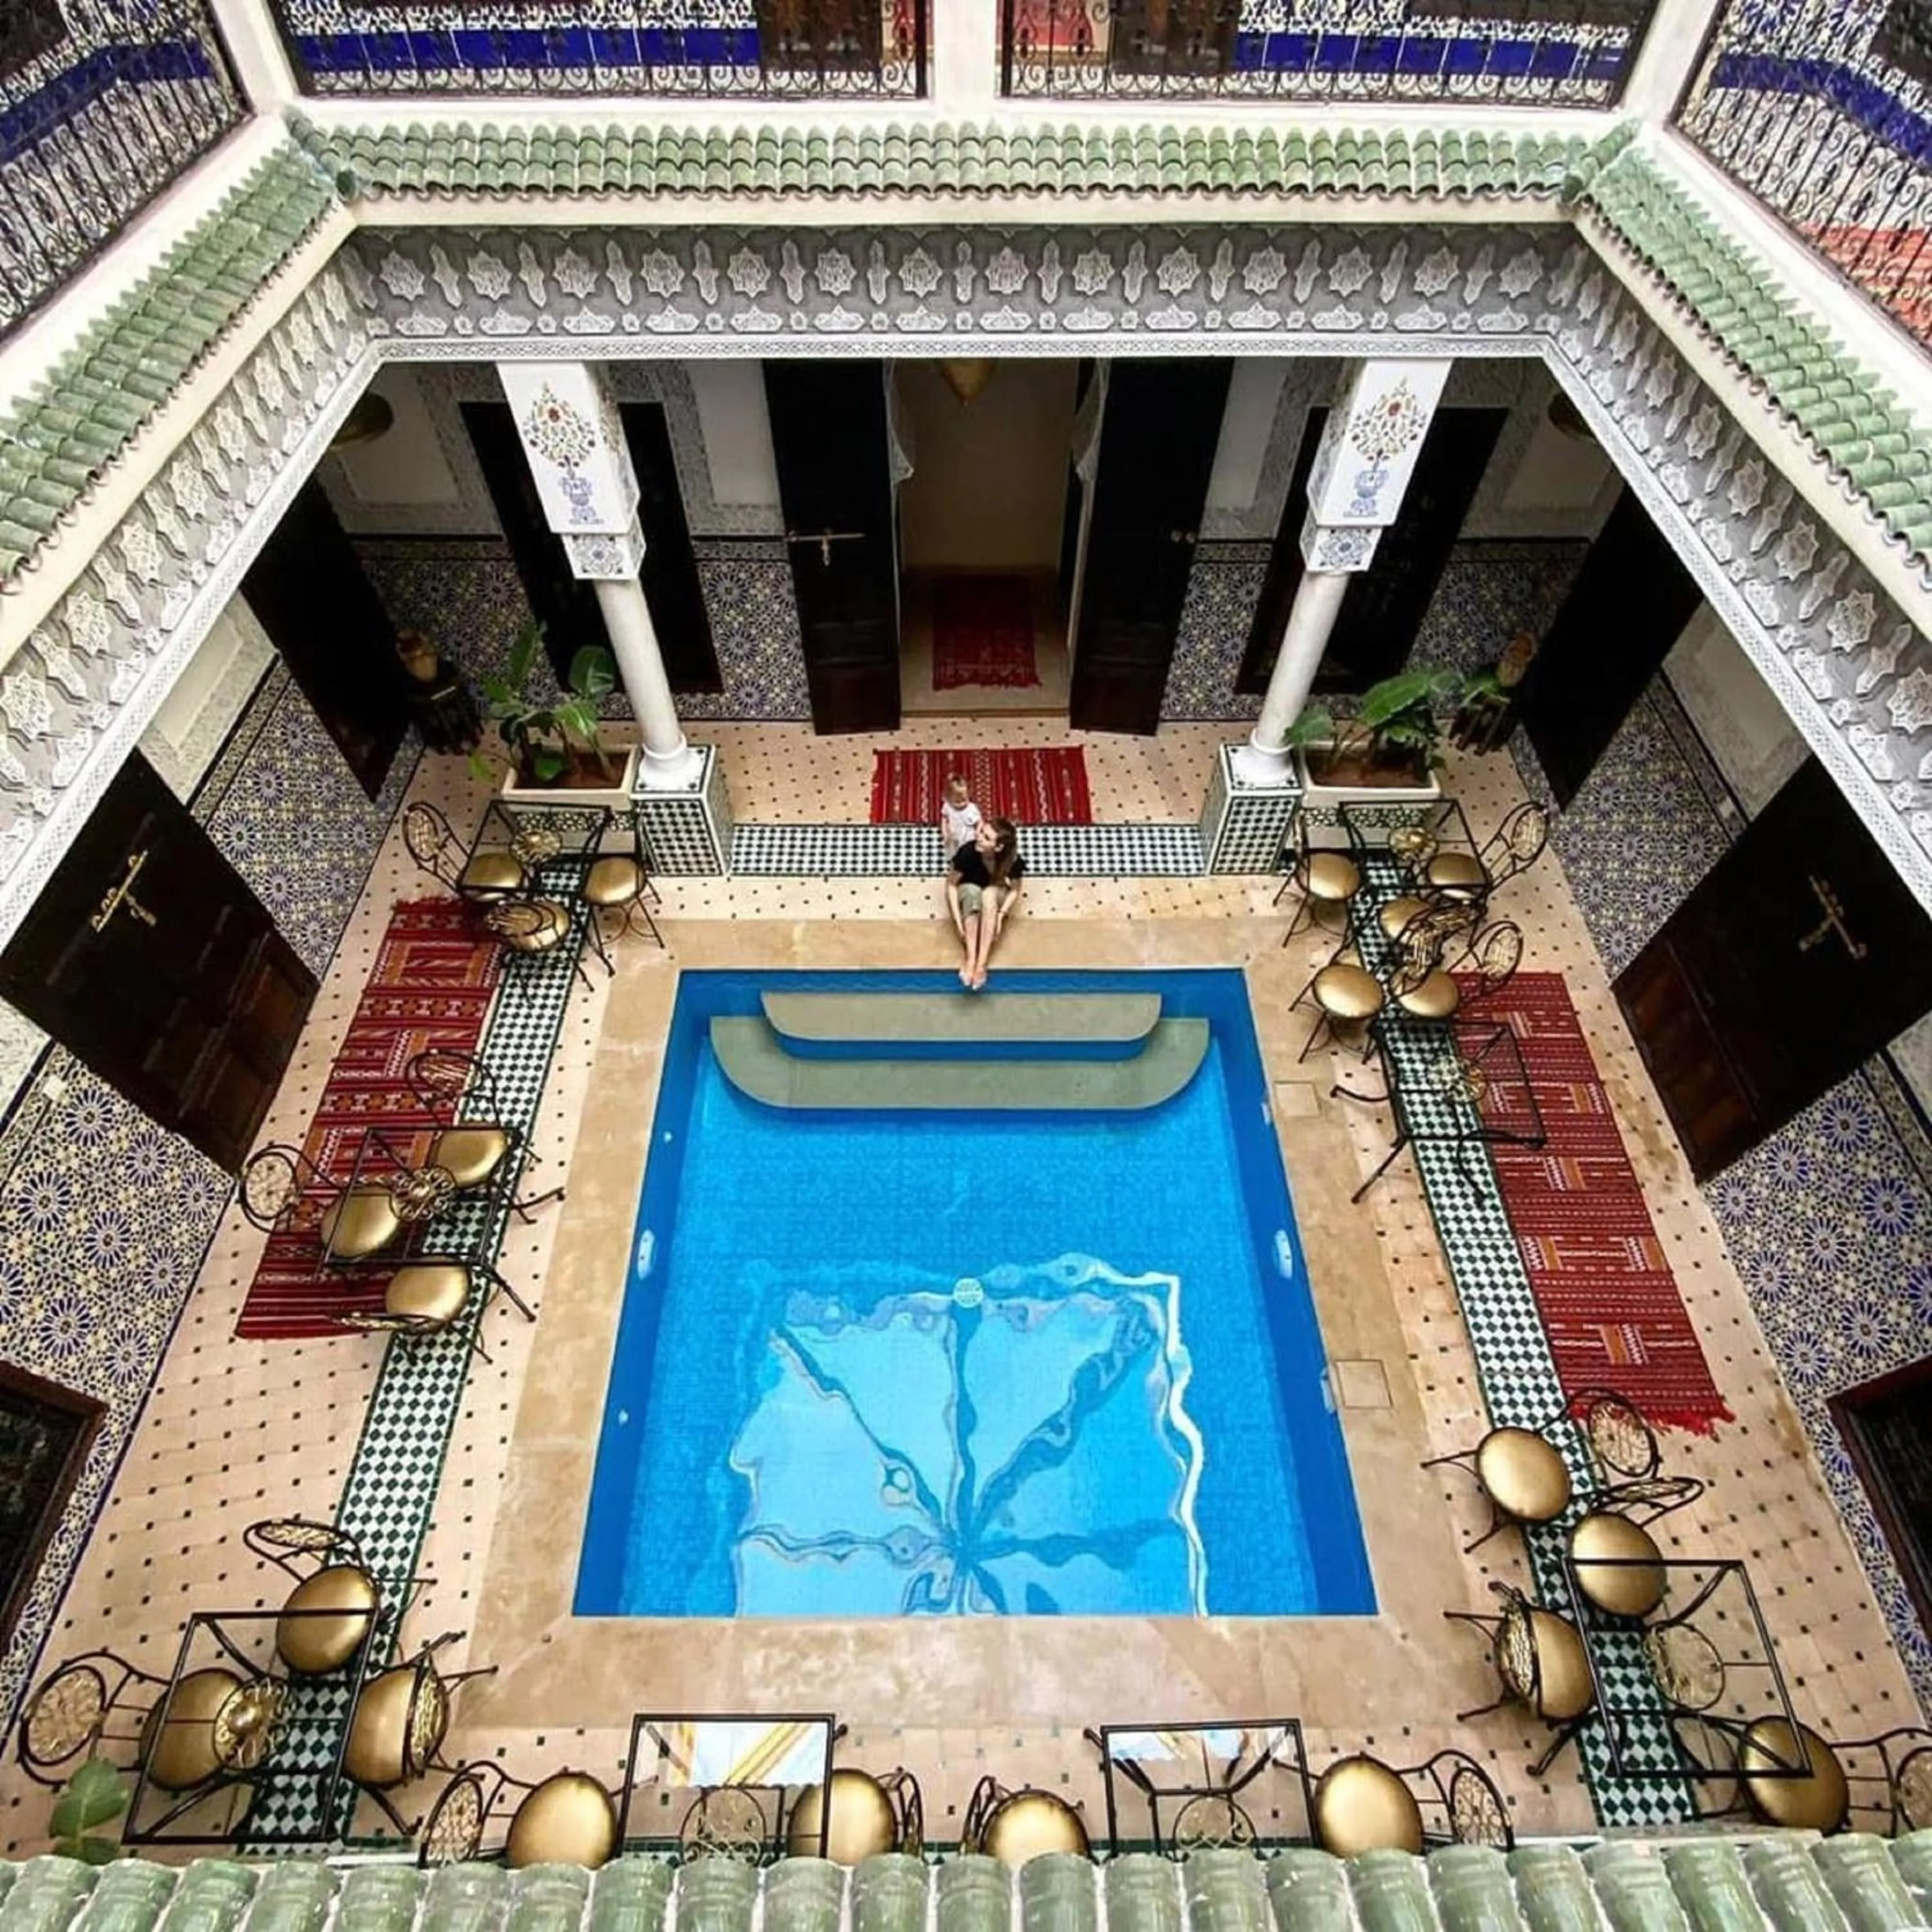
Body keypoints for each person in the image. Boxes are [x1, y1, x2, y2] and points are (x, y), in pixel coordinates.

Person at [946, 816, 1025, 990]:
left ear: (999, 848)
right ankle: (971, 958)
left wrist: (1001, 915)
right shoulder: (968, 852)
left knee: (989, 894)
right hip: (969, 889)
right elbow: (951, 886)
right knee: (973, 892)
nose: (978, 836)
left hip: (994, 892)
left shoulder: (1011, 861)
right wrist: (958, 922)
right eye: (981, 831)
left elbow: (1015, 890)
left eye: (986, 837)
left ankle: (982, 963)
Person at [939, 773, 981, 864]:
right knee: (953, 853)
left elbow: (980, 821)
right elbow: (945, 819)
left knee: (969, 853)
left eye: (964, 800)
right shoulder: (948, 807)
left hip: (968, 836)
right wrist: (945, 833)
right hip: (953, 836)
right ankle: (954, 863)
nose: (962, 804)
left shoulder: (972, 808)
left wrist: (978, 831)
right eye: (957, 802)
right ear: (949, 798)